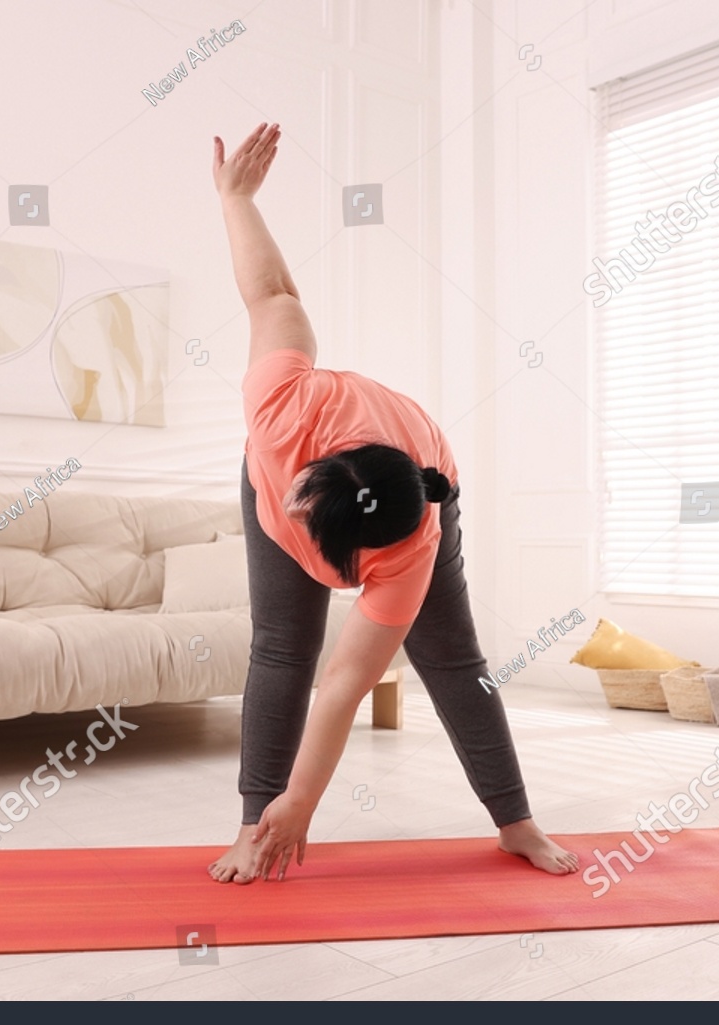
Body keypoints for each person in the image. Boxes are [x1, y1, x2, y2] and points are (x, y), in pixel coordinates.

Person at [207, 123, 577, 884]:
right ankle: (251, 827)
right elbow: (273, 292)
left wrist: (306, 799)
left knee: (451, 659)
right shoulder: (281, 405)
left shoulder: (413, 544)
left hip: (417, 487)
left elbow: (348, 678)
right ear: (311, 476)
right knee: (282, 646)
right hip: (277, 475)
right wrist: (235, 198)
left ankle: (517, 823)